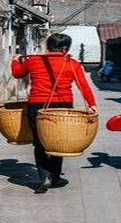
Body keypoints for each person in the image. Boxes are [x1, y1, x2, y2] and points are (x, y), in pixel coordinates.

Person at [11, 33, 98, 194]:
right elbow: (83, 85)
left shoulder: (33, 60)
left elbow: (17, 74)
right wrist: (91, 104)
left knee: (40, 142)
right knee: (59, 141)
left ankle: (44, 177)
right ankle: (55, 177)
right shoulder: (71, 63)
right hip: (63, 105)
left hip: (37, 105)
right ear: (65, 48)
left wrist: (16, 59)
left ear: (48, 46)